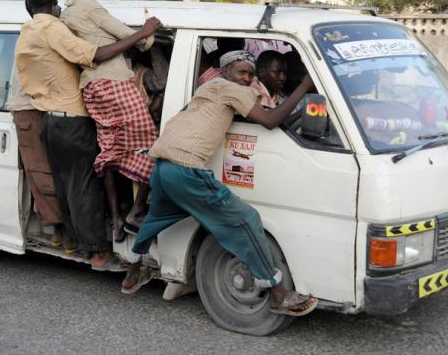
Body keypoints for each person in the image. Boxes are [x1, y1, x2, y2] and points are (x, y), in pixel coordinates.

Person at [122, 50, 319, 317]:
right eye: (241, 72)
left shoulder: (207, 89)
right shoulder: (231, 89)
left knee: (157, 216)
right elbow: (271, 121)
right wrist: (307, 86)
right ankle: (277, 293)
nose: (246, 79)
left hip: (163, 167)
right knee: (246, 219)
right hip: (187, 169)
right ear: (224, 71)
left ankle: (134, 269)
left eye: (250, 75)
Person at [15, 0, 162, 269]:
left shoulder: (28, 30)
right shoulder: (52, 28)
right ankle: (98, 253)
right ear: (54, 5)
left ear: (28, 6)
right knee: (85, 187)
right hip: (72, 120)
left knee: (67, 186)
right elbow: (97, 55)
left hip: (50, 122)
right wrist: (143, 34)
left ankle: (79, 244)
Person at [60, 0, 159, 242]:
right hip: (114, 84)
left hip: (91, 89)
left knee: (110, 150)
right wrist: (148, 32)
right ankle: (137, 211)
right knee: (152, 149)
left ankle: (116, 218)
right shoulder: (91, 7)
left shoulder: (67, 13)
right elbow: (134, 38)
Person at [6, 63, 63, 246]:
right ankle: (58, 226)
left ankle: (57, 224)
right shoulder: (35, 36)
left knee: (49, 171)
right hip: (29, 108)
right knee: (42, 173)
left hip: (40, 108)